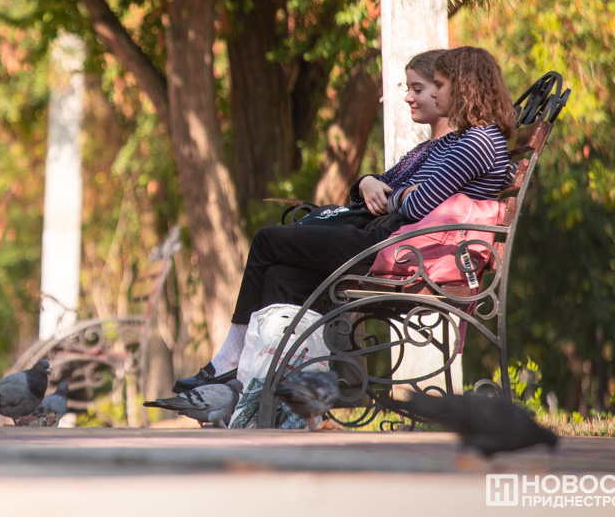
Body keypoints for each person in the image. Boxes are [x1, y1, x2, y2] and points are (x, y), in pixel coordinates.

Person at [174, 46, 516, 393]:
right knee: (281, 274)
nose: (434, 93)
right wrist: (373, 184)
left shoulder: (477, 142)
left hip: (397, 249)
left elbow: (416, 204)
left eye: (438, 85)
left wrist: (399, 196)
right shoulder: (460, 142)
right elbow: (398, 189)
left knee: (266, 241)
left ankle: (229, 361)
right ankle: (268, 388)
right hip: (393, 241)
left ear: (464, 86)